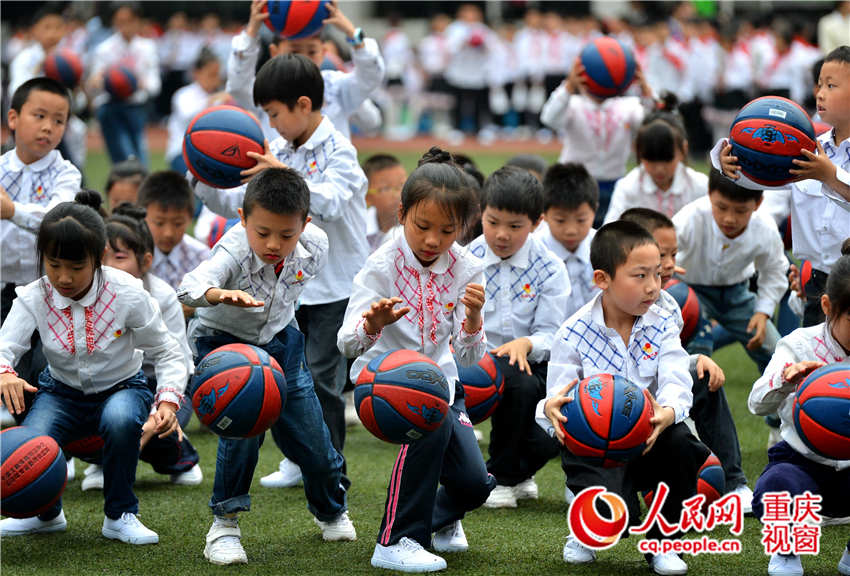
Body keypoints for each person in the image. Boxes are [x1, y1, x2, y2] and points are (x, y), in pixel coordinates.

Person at [190, 53, 368, 487]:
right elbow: (246, 205)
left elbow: (329, 200)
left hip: (335, 284)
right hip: (290, 288)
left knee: (322, 382)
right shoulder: (282, 149)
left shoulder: (339, 149)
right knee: (290, 380)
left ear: (303, 105)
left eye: (273, 113)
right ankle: (296, 459)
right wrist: (201, 175)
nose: (270, 122)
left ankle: (330, 467)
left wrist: (283, 170)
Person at [178, 167, 354, 565]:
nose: (274, 244)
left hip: (282, 346)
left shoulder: (317, 244)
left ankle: (330, 510)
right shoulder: (233, 249)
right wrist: (217, 294)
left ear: (304, 224)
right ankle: (223, 525)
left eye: (286, 234)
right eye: (262, 233)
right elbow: (188, 286)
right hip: (223, 346)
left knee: (317, 445)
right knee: (241, 438)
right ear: (242, 218)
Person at [338, 148, 495, 572]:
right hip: (383, 382)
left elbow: (470, 356)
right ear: (403, 213)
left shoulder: (468, 268)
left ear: (461, 227)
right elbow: (346, 345)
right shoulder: (381, 265)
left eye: (447, 231)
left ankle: (439, 523)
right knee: (426, 410)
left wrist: (474, 317)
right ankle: (395, 541)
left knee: (475, 486)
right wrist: (373, 324)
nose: (432, 240)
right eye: (422, 226)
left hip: (441, 383)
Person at [0, 194, 187, 544]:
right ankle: (46, 515)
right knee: (34, 438)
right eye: (54, 265)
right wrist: (5, 372)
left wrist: (167, 402)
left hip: (123, 387)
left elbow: (167, 351)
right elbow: (5, 345)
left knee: (119, 420)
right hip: (59, 391)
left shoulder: (128, 293)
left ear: (99, 257)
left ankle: (120, 514)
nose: (64, 278)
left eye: (75, 267)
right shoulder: (33, 295)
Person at [537, 221, 709, 576]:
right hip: (595, 447)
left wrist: (668, 412)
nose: (652, 287)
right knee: (619, 517)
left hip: (649, 435)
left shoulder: (662, 323)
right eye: (640, 276)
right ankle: (587, 529)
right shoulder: (573, 331)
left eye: (657, 275)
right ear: (603, 279)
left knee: (681, 442)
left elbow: (677, 377)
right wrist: (550, 408)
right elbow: (557, 394)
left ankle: (664, 542)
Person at [620, 207, 753, 512]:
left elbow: (665, 359)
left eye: (673, 256)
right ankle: (594, 480)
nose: (668, 265)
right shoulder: (604, 301)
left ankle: (735, 483)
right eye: (660, 255)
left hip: (657, 398)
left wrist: (695, 361)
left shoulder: (668, 303)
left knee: (705, 376)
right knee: (620, 512)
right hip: (612, 402)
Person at [713, 45, 850, 327]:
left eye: (831, 85)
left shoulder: (820, 163)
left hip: (849, 277)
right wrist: (726, 165)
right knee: (816, 362)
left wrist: (829, 175)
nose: (820, 93)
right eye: (820, 84)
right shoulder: (807, 149)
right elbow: (766, 177)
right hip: (817, 279)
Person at [73, 203, 201, 492]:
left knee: (148, 423)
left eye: (119, 257)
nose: (107, 268)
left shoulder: (163, 296)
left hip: (161, 382)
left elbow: (177, 360)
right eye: (101, 258)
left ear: (145, 261)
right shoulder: (87, 293)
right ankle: (101, 460)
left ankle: (183, 458)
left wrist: (157, 412)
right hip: (112, 382)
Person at [748, 244, 850, 576]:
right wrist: (786, 379)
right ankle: (786, 551)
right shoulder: (799, 344)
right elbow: (755, 403)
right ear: (827, 306)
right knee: (777, 484)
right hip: (803, 462)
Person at [467, 166, 566, 509]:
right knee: (518, 383)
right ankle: (505, 478)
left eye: (514, 226)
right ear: (481, 213)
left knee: (557, 434)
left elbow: (554, 334)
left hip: (537, 363)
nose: (501, 235)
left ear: (537, 223)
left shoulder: (550, 266)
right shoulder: (466, 262)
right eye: (492, 222)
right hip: (476, 362)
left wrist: (528, 343)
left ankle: (516, 474)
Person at [1, 77, 81, 433]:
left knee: (38, 372)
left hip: (45, 292)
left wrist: (12, 210)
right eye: (39, 116)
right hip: (2, 287)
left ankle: (49, 445)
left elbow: (57, 220)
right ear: (14, 118)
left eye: (59, 120)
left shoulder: (66, 173)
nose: (49, 127)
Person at [673, 169, 787, 372]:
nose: (729, 219)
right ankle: (696, 402)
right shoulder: (689, 218)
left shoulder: (765, 227)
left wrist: (763, 312)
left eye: (741, 210)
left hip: (738, 296)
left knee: (778, 356)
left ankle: (779, 403)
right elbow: (662, 251)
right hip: (692, 292)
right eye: (721, 207)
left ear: (757, 204)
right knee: (697, 355)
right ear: (709, 194)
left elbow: (774, 271)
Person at [227, 0, 385, 142]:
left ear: (324, 52)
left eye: (312, 52)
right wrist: (251, 32)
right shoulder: (266, 89)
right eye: (294, 51)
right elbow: (238, 85)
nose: (303, 59)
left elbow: (371, 76)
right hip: (278, 174)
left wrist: (352, 33)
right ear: (274, 52)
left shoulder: (337, 87)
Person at [540, 57, 656, 227]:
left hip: (614, 184)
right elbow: (549, 118)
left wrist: (646, 92)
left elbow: (651, 123)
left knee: (609, 236)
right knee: (573, 233)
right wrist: (568, 87)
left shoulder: (628, 106)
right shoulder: (573, 104)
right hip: (574, 184)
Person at [604, 103, 708, 223]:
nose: (659, 169)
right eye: (650, 161)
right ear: (637, 150)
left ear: (684, 149)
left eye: (667, 160)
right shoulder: (628, 188)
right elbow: (610, 231)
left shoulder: (699, 187)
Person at [87, 2, 160, 166]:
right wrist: (98, 80)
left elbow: (155, 85)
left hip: (136, 106)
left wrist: (140, 84)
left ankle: (141, 189)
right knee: (122, 157)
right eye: (119, 21)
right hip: (110, 107)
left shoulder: (147, 47)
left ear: (138, 21)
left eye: (129, 20)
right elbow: (93, 84)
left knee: (140, 156)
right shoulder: (104, 49)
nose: (124, 26)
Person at [535, 163, 598, 319]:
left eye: (581, 220)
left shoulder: (603, 245)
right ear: (544, 214)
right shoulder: (535, 252)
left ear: (594, 211)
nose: (571, 230)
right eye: (561, 220)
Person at [138, 171, 211, 293]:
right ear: (142, 216)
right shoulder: (133, 255)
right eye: (159, 223)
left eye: (178, 224)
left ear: (190, 218)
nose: (168, 233)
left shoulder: (202, 258)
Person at [165, 47, 227, 174]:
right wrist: (211, 101)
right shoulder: (183, 95)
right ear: (196, 73)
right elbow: (188, 116)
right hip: (182, 151)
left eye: (217, 74)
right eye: (211, 74)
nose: (215, 79)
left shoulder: (222, 97)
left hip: (211, 152)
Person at [362, 154, 406, 252]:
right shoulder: (360, 229)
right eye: (386, 188)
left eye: (402, 185)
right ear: (367, 196)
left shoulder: (416, 226)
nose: (398, 194)